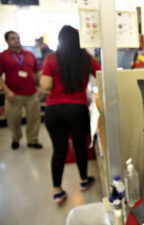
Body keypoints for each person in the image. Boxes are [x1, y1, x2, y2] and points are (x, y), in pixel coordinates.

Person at [40, 25, 101, 205]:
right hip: (77, 109)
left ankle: (57, 191)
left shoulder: (51, 58)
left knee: (59, 150)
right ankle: (84, 180)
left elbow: (45, 86)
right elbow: (101, 75)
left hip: (54, 111)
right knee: (80, 147)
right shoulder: (85, 58)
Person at [0, 31, 43, 150]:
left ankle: (32, 140)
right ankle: (16, 138)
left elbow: (37, 71)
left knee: (34, 118)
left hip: (31, 93)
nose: (17, 40)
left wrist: (39, 86)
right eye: (13, 38)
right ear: (7, 41)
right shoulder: (3, 56)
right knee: (12, 120)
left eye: (18, 38)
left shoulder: (29, 54)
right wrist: (7, 92)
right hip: (13, 95)